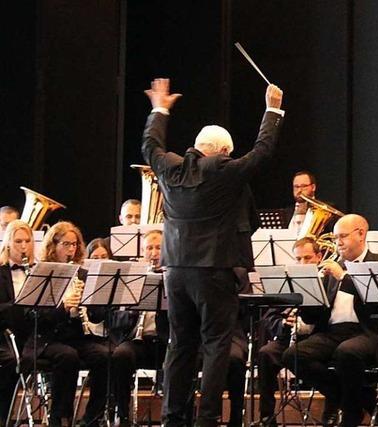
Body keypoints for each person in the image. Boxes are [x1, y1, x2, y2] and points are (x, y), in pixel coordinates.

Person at [141, 78, 284, 427]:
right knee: (217, 343)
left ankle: (173, 418)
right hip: (213, 270)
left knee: (180, 345)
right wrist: (272, 108)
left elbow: (150, 145)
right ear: (222, 152)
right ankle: (206, 418)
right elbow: (262, 151)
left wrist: (160, 109)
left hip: (175, 269)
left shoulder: (169, 167)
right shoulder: (225, 171)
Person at [282, 214, 378, 427]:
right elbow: (316, 315)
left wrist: (343, 277)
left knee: (347, 352)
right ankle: (344, 396)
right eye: (335, 238)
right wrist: (307, 295)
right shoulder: (332, 266)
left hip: (368, 331)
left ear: (361, 234)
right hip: (333, 331)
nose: (338, 243)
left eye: (342, 236)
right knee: (293, 355)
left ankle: (351, 414)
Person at [22, 221, 109, 427]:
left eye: (75, 245)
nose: (72, 249)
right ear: (53, 246)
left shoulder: (82, 274)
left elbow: (97, 316)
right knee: (67, 356)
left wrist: (90, 304)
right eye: (66, 244)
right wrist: (63, 307)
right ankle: (60, 418)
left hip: (74, 336)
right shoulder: (42, 273)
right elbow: (32, 316)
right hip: (45, 339)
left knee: (104, 356)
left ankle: (92, 418)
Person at [257, 237, 321, 426]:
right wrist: (284, 322)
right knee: (265, 353)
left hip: (318, 338)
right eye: (298, 259)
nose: (302, 263)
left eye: (307, 258)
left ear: (318, 257)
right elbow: (269, 317)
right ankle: (267, 416)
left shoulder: (328, 279)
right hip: (290, 338)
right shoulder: (287, 282)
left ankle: (333, 406)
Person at [110, 229, 169, 427]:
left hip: (166, 340)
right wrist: (131, 310)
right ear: (142, 252)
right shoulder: (132, 279)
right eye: (149, 248)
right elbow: (116, 322)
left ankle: (173, 417)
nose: (153, 253)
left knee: (182, 359)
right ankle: (122, 415)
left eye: (158, 247)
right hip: (139, 341)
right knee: (120, 355)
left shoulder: (175, 278)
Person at [0, 220, 34, 424]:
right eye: (18, 241)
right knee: (11, 361)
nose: (23, 246)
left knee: (65, 356)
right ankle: (4, 415)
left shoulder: (37, 270)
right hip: (4, 335)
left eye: (27, 241)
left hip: (30, 334)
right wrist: (18, 305)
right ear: (8, 244)